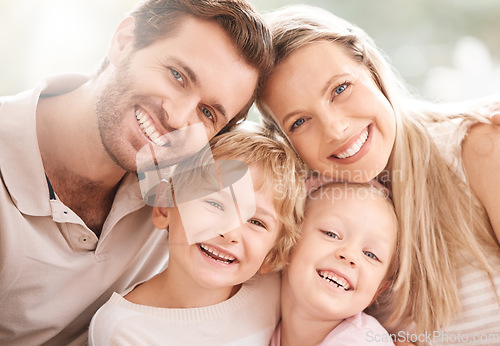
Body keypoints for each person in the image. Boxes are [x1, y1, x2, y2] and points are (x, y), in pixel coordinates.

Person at [0, 0, 273, 344]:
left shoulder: (189, 192)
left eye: (207, 112)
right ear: (124, 40)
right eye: (177, 75)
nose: (177, 118)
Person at [256, 4, 500, 343]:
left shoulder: (480, 149)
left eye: (340, 89)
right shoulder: (305, 211)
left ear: (370, 67)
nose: (336, 129)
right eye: (299, 122)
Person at [88, 124, 306, 345]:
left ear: (274, 252)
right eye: (214, 203)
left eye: (256, 222)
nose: (230, 232)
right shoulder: (122, 329)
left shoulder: (273, 291)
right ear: (165, 208)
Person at [271, 182, 397, 346]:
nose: (350, 255)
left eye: (370, 255)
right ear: (289, 241)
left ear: (378, 290)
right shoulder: (260, 328)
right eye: (331, 234)